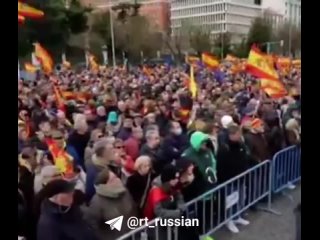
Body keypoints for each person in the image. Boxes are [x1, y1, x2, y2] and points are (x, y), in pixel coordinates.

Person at [85, 169, 138, 240]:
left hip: (132, 234)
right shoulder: (97, 201)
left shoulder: (124, 192)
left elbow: (134, 209)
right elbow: (92, 225)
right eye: (113, 179)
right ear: (105, 185)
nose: (118, 179)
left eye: (116, 177)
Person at [217, 124, 250, 233]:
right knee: (230, 202)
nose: (240, 136)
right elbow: (220, 167)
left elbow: (244, 157)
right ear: (231, 135)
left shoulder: (240, 144)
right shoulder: (224, 148)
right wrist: (225, 181)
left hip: (240, 177)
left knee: (239, 199)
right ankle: (229, 220)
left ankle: (237, 217)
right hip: (229, 180)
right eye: (238, 134)